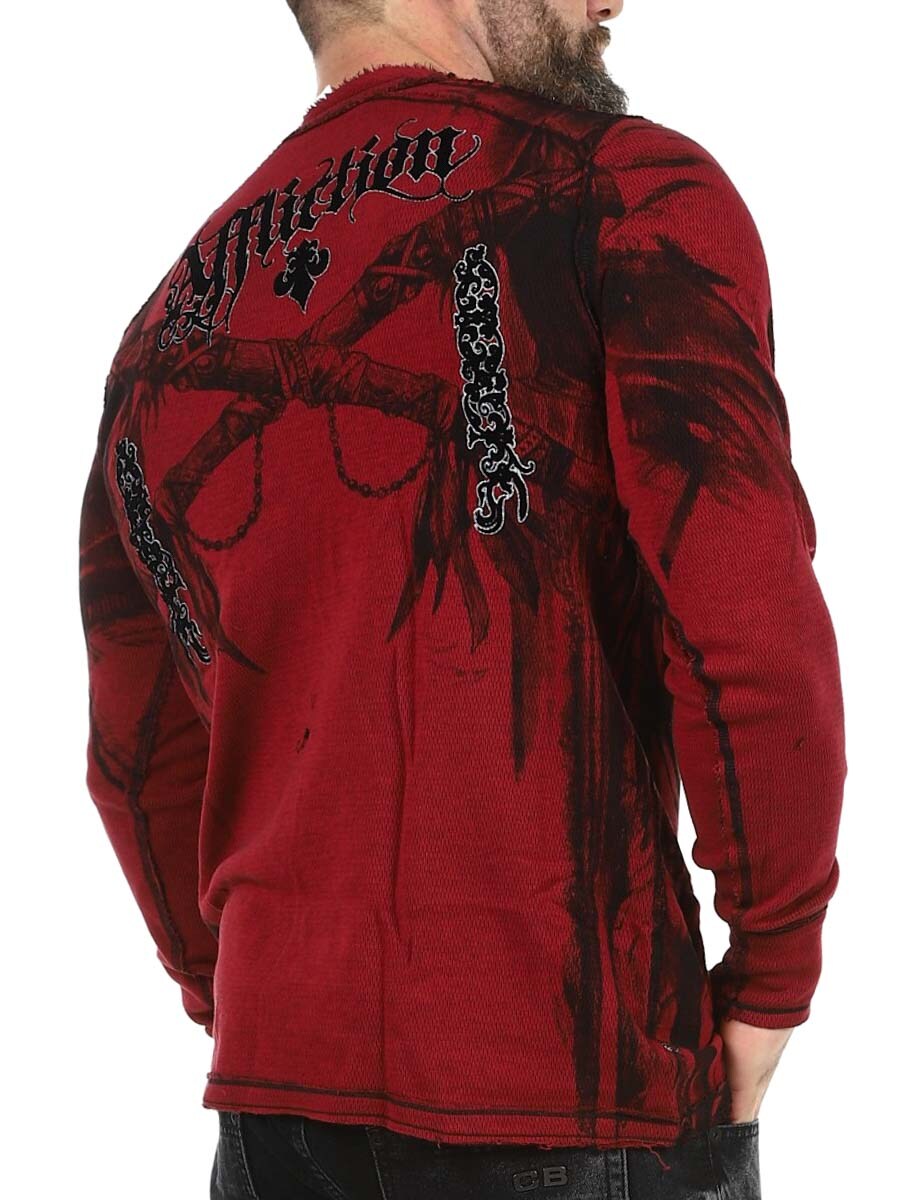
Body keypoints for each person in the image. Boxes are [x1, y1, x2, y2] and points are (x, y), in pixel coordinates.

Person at [76, 1, 847, 1197]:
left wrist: (248, 1000)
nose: (612, 0)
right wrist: (772, 976)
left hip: (277, 1110)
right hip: (572, 1082)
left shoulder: (160, 339)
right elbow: (746, 627)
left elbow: (139, 759)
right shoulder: (619, 194)